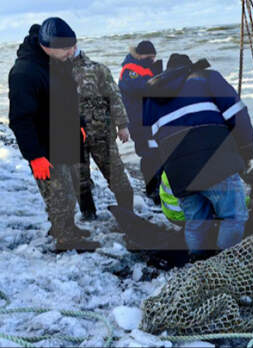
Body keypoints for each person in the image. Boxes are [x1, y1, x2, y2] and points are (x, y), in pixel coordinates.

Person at [143, 53, 253, 257]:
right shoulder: (207, 77)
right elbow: (238, 116)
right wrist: (247, 152)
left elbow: (152, 148)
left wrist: (166, 177)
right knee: (233, 217)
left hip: (179, 173)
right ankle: (224, 265)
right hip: (216, 161)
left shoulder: (151, 97)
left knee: (196, 223)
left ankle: (198, 264)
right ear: (190, 68)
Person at [8, 18, 99, 251]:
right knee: (59, 193)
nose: (72, 52)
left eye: (73, 46)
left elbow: (69, 97)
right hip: (44, 145)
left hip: (64, 137)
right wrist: (34, 155)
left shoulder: (58, 62)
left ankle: (65, 226)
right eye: (67, 49)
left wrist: (78, 124)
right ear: (47, 46)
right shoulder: (24, 72)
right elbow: (20, 120)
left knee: (68, 190)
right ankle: (65, 238)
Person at [70, 48, 135, 220]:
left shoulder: (97, 68)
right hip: (72, 136)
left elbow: (114, 97)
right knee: (79, 177)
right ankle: (89, 215)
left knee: (116, 173)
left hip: (102, 133)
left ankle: (128, 213)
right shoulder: (53, 71)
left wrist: (122, 125)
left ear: (75, 46)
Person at [118, 40, 163, 205]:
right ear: (139, 55)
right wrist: (157, 76)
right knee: (149, 154)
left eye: (153, 57)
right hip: (139, 121)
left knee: (157, 153)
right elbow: (144, 89)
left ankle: (159, 189)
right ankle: (152, 191)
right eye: (148, 57)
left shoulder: (145, 68)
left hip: (150, 120)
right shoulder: (130, 70)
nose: (151, 60)